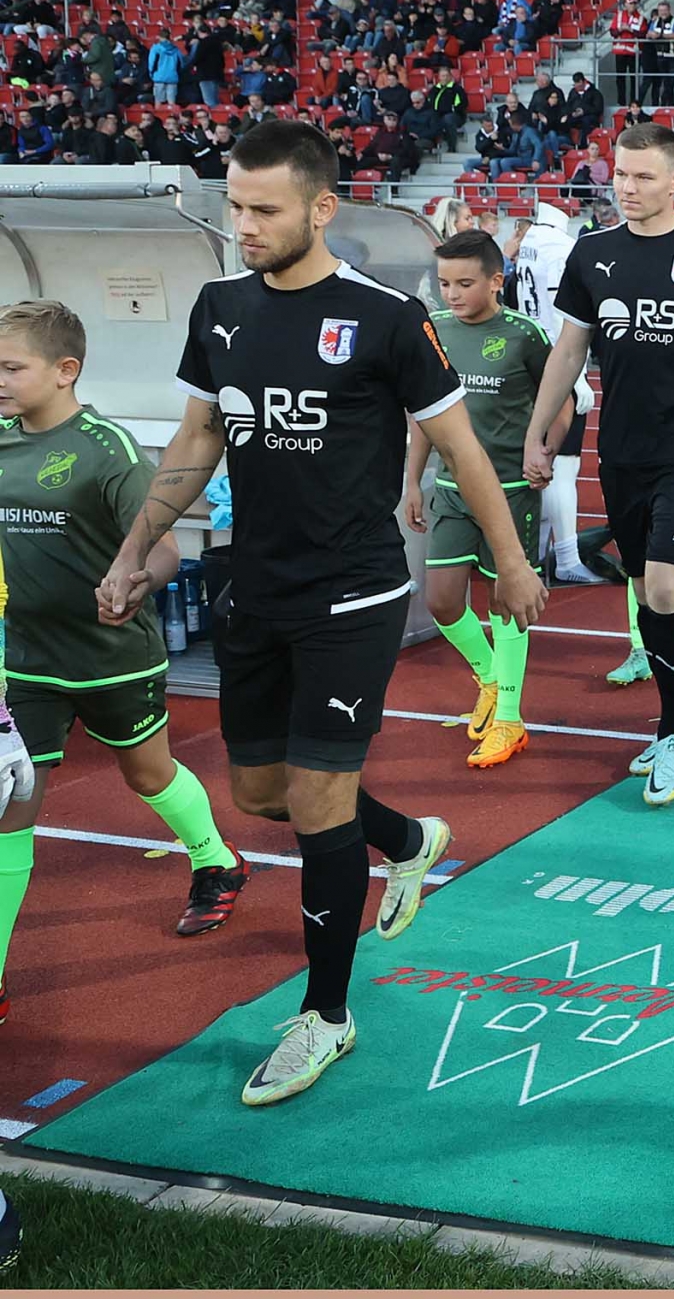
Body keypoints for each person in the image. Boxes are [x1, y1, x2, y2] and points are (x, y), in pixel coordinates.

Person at [98, 120, 548, 1106]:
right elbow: (197, 437)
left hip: (354, 594)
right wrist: (137, 549)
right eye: (234, 207)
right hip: (250, 584)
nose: (244, 225)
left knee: (313, 801)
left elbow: (465, 448)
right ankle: (404, 840)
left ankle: (327, 1013)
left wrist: (511, 562)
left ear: (320, 207)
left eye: (263, 209)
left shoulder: (385, 316)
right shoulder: (218, 308)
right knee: (261, 793)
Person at [0, 299, 249, 980]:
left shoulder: (105, 448)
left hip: (112, 657)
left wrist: (138, 578)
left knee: (147, 773)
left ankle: (216, 859)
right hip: (23, 661)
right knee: (12, 806)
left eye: (10, 367)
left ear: (64, 371)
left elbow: (164, 548)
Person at [525, 124, 674, 805]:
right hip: (619, 451)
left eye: (644, 177)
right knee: (648, 594)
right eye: (620, 174)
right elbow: (568, 352)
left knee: (671, 591)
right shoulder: (592, 253)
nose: (628, 187)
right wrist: (539, 433)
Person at [404, 232, 550, 766]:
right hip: (449, 490)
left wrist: (544, 450)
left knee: (507, 602)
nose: (452, 294)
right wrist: (412, 481)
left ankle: (510, 719)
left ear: (496, 280)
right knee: (441, 599)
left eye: (465, 283)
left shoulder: (524, 334)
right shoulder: (434, 331)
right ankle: (489, 677)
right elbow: (424, 414)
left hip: (511, 491)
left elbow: (556, 398)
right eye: (444, 283)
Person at [509, 202, 600, 591]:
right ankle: (566, 557)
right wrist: (574, 376)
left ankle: (537, 553)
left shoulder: (529, 240)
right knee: (562, 467)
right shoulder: (559, 247)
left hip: (533, 357)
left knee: (543, 463)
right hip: (556, 361)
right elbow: (563, 317)